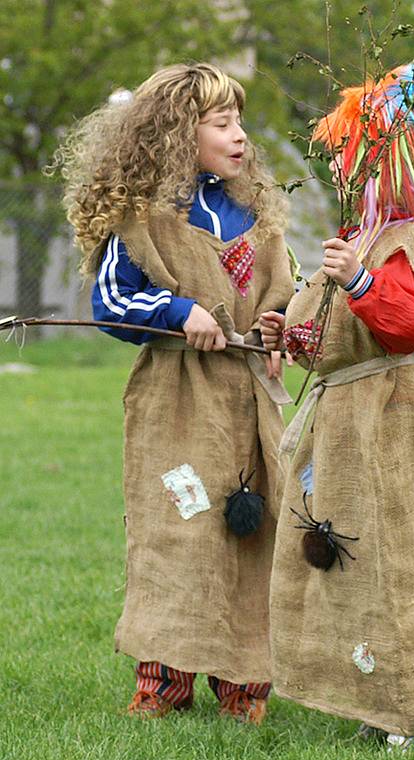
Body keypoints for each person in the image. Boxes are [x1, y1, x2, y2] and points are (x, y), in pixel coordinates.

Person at [54, 63, 295, 722]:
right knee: (179, 529)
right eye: (222, 124)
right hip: (177, 403)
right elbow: (110, 300)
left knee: (252, 533)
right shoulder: (144, 217)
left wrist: (276, 325)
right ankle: (164, 680)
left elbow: (283, 290)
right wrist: (175, 311)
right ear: (176, 134)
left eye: (238, 122)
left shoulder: (253, 214)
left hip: (246, 403)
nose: (239, 136)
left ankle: (244, 682)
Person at [260, 63, 414, 750]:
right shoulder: (364, 237)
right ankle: (378, 691)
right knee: (351, 557)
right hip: (346, 414)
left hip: (388, 413)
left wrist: (355, 278)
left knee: (386, 555)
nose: (347, 167)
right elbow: (330, 335)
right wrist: (285, 334)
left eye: (359, 154)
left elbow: (405, 324)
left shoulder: (405, 243)